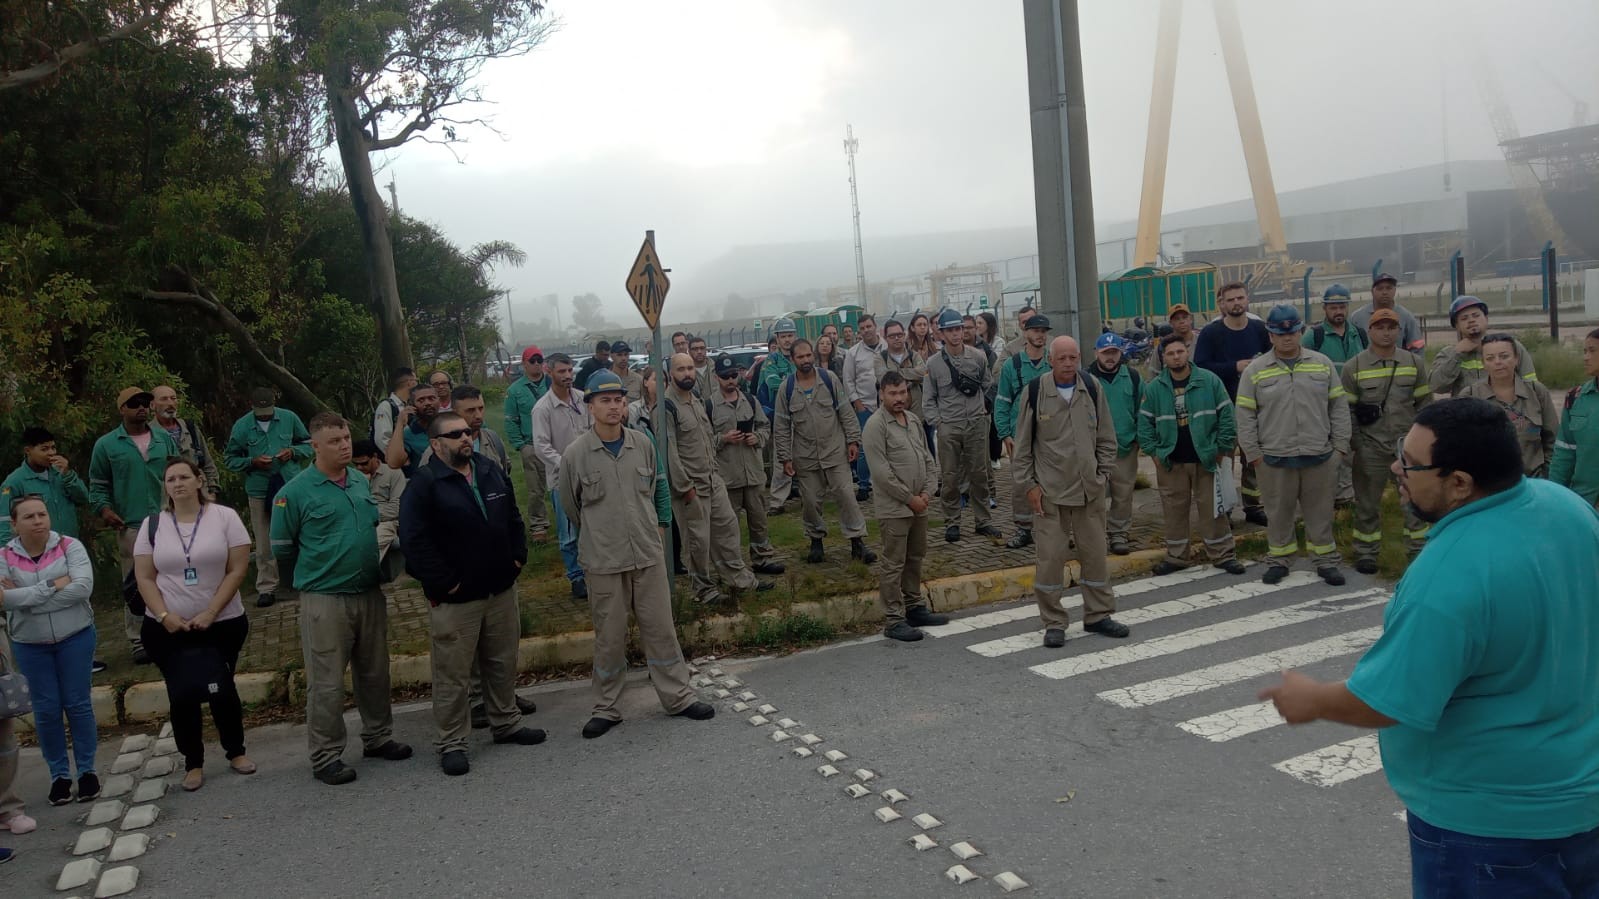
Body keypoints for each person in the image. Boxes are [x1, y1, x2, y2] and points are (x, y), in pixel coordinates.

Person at [1259, 398, 1599, 898]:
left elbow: (1388, 701)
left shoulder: (1448, 575)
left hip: (1487, 830)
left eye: (1412, 464)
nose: (1397, 468)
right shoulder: (1566, 508)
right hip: (1584, 800)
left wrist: (1311, 699)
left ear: (1459, 483)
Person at [558, 370, 715, 739]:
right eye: (604, 401)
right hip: (603, 559)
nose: (613, 407)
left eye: (617, 400)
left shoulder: (642, 442)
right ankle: (606, 707)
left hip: (647, 554)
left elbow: (659, 487)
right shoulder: (575, 455)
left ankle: (678, 696)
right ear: (591, 407)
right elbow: (569, 506)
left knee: (661, 629)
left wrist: (659, 526)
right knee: (609, 637)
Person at [400, 412, 544, 776]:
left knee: (501, 662)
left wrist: (517, 558)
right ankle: (452, 742)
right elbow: (415, 542)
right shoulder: (424, 484)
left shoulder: (487, 467)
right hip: (455, 599)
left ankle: (506, 723)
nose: (466, 437)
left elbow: (512, 515)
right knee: (453, 674)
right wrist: (446, 583)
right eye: (455, 434)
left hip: (500, 587)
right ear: (436, 444)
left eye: (467, 431)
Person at [271, 413, 412, 786]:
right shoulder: (295, 493)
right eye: (335, 440)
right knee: (327, 681)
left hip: (368, 591)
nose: (345, 445)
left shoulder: (359, 483)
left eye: (346, 437)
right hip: (325, 598)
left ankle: (378, 737)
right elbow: (282, 550)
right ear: (314, 446)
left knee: (375, 672)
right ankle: (325, 754)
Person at [132, 459, 256, 792]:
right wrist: (163, 615)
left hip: (222, 623)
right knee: (182, 694)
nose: (178, 483)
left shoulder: (225, 517)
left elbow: (237, 569)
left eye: (184, 476)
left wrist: (212, 611)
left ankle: (236, 751)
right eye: (171, 479)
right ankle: (193, 762)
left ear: (199, 480)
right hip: (169, 628)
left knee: (221, 688)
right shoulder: (153, 524)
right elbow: (144, 577)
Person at [1014, 336, 1129, 648]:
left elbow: (1106, 436)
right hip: (1049, 495)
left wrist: (1103, 474)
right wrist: (1030, 486)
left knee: (1095, 558)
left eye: (1072, 358)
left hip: (1089, 492)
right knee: (1050, 560)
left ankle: (1098, 616)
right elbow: (1022, 447)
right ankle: (1053, 622)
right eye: (1061, 358)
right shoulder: (1036, 392)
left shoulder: (1091, 388)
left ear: (1079, 358)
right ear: (1050, 360)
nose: (1067, 364)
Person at [1236, 305, 1351, 586]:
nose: (1287, 338)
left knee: (1320, 512)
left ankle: (1325, 560)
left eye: (1292, 332)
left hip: (1319, 455)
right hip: (1274, 458)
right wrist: (1254, 454)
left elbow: (1338, 407)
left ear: (1300, 332)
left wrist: (1339, 448)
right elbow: (1245, 416)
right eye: (1279, 334)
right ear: (1271, 336)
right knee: (1278, 513)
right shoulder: (1255, 371)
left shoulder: (1321, 364)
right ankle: (1279, 560)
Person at [0, 495, 98, 806]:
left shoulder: (70, 546)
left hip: (76, 635)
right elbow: (3, 599)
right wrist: (53, 586)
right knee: (46, 709)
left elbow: (82, 588)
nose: (38, 520)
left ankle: (86, 772)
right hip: (30, 644)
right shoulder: (3, 556)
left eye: (42, 513)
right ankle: (59, 776)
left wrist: (26, 599)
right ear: (15, 524)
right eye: (29, 517)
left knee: (78, 703)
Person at [662, 353, 770, 603]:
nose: (687, 373)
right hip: (691, 487)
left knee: (728, 529)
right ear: (670, 374)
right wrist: (684, 488)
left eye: (690, 368)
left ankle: (740, 580)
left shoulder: (696, 401)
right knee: (697, 541)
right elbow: (669, 452)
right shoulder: (666, 407)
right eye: (681, 369)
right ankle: (703, 590)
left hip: (713, 480)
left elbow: (707, 440)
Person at [1140, 334, 1246, 576]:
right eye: (1170, 354)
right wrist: (1155, 454)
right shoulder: (1155, 389)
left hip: (1207, 459)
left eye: (1180, 351)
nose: (1176, 357)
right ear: (1163, 358)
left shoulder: (1209, 381)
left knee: (1213, 510)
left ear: (1187, 352)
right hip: (1172, 463)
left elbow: (1227, 417)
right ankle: (1177, 557)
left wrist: (1221, 448)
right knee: (1174, 512)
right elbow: (1144, 425)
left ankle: (1223, 555)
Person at [89, 387, 179, 663]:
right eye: (133, 404)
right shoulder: (106, 445)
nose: (141, 407)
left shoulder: (163, 438)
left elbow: (178, 472)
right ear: (122, 409)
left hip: (167, 519)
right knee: (135, 581)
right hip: (130, 524)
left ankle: (171, 629)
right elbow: (98, 484)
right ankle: (138, 639)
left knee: (172, 575)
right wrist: (105, 510)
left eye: (144, 402)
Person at [1340, 309, 1432, 574]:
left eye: (1391, 327)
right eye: (1380, 327)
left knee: (1415, 503)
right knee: (1367, 505)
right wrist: (1357, 442)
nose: (1386, 332)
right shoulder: (1353, 367)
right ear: (1369, 331)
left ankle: (1419, 553)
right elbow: (1347, 411)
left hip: (1407, 449)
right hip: (1371, 447)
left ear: (1399, 330)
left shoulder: (1414, 364)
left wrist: (1420, 443)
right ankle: (1365, 553)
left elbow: (1425, 406)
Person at [774, 339, 875, 565]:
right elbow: (780, 426)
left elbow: (845, 412)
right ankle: (816, 541)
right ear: (792, 359)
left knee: (847, 497)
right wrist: (784, 457)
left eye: (809, 355)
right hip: (805, 457)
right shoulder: (786, 388)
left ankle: (857, 541)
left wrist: (853, 440)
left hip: (835, 452)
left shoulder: (830, 380)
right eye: (800, 357)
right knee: (810, 502)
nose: (806, 360)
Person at [862, 371, 947, 642]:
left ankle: (913, 607)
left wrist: (928, 490)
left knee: (915, 557)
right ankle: (894, 618)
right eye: (893, 394)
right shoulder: (876, 426)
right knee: (893, 563)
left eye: (903, 392)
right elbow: (881, 473)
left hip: (919, 504)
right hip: (895, 508)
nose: (899, 398)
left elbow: (928, 458)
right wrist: (910, 498)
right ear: (881, 394)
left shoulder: (912, 420)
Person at [223, 387, 313, 608]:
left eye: (269, 409)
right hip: (260, 489)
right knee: (264, 542)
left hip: (290, 484)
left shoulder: (289, 418)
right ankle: (267, 588)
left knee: (304, 531)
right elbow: (230, 459)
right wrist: (252, 462)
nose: (265, 414)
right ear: (252, 406)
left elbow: (309, 445)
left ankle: (310, 579)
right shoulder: (242, 426)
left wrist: (292, 452)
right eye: (261, 411)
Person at [1194, 282, 1271, 526]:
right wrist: (1234, 367)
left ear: (1247, 300)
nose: (1236, 303)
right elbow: (1201, 367)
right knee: (1224, 460)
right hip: (1223, 409)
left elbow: (1272, 360)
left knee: (1253, 459)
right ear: (1222, 304)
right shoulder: (1211, 333)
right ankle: (1224, 506)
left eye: (1240, 298)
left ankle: (1254, 506)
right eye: (1230, 299)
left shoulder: (1259, 329)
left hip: (1256, 408)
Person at [707, 355, 784, 576]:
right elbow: (703, 441)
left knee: (758, 521)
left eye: (734, 376)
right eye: (725, 377)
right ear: (716, 377)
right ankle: (732, 566)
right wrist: (723, 439)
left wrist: (757, 438)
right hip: (727, 477)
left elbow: (764, 426)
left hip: (753, 473)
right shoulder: (710, 406)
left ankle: (762, 559)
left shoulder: (750, 400)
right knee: (728, 526)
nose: (731, 380)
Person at [925, 308, 997, 543]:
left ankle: (983, 521)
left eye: (959, 329)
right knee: (950, 477)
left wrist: (983, 409)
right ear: (941, 333)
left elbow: (988, 384)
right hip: (950, 426)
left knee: (979, 475)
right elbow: (929, 399)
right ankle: (952, 522)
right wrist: (940, 423)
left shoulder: (977, 356)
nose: (956, 334)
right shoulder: (934, 363)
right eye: (950, 330)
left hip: (976, 424)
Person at [532, 354, 591, 599]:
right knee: (568, 533)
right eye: (562, 371)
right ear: (549, 371)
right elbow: (542, 447)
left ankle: (594, 571)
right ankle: (576, 577)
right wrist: (566, 464)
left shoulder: (583, 399)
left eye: (569, 371)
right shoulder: (542, 409)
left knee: (592, 525)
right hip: (561, 480)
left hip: (590, 474)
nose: (567, 376)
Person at [995, 314, 1053, 549]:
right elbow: (1002, 401)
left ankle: (1052, 528)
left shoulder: (1053, 362)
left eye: (1044, 331)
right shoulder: (1013, 365)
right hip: (1019, 435)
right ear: (1025, 333)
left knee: (1052, 481)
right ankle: (1024, 529)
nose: (1040, 335)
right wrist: (1005, 434)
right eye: (1035, 330)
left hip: (1051, 434)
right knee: (1021, 484)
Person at [1466, 334, 1557, 478]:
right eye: (1490, 358)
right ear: (1483, 363)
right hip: (1489, 486)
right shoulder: (1469, 396)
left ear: (1516, 359)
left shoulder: (1537, 392)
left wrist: (1548, 479)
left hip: (1534, 483)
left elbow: (1552, 440)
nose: (1498, 362)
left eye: (1504, 356)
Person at [1087, 333, 1142, 555]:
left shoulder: (1133, 377)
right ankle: (1093, 535)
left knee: (1123, 493)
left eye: (1114, 353)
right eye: (1105, 353)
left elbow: (1142, 410)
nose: (1110, 357)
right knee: (1093, 494)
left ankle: (1118, 533)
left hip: (1125, 447)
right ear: (1096, 353)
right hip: (1094, 450)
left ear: (1120, 353)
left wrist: (1139, 439)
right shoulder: (1085, 378)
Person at [1429, 295, 1537, 397]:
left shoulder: (1510, 346)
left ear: (1486, 319)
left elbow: (1530, 385)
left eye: (1476, 315)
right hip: (1465, 413)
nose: (1471, 320)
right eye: (1464, 318)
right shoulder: (1448, 354)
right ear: (1456, 326)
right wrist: (1456, 355)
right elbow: (1436, 387)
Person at [0, 427, 90, 543]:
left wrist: (68, 474)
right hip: (38, 551)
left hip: (68, 547)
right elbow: (5, 521)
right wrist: (6, 555)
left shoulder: (61, 474)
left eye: (53, 448)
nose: (51, 453)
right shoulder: (14, 482)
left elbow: (83, 498)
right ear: (28, 451)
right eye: (44, 449)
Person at [503, 345, 552, 540]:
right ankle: (538, 526)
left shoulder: (552, 384)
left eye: (540, 360)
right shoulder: (514, 390)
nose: (537, 364)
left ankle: (570, 520)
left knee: (565, 484)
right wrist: (521, 446)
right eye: (532, 361)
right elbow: (510, 420)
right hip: (532, 445)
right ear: (524, 364)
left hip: (557, 442)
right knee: (535, 489)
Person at [1552, 327, 1599, 508]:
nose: (1585, 357)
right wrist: (1554, 495)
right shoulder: (1576, 397)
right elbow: (1564, 453)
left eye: (1592, 351)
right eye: (1584, 351)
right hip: (1584, 503)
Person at [757, 318, 799, 514]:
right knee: (781, 458)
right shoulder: (771, 360)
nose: (787, 340)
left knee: (807, 455)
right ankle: (777, 502)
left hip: (803, 415)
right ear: (777, 338)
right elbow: (774, 384)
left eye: (790, 335)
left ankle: (810, 495)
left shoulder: (801, 355)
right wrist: (797, 384)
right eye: (783, 337)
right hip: (782, 416)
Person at [151, 385, 221, 499]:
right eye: (164, 399)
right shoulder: (148, 433)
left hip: (198, 497)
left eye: (173, 398)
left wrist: (212, 491)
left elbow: (207, 463)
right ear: (152, 405)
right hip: (166, 500)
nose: (170, 403)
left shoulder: (190, 428)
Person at [842, 313, 884, 502]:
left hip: (887, 405)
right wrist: (857, 403)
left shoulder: (887, 347)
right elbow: (848, 380)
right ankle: (864, 484)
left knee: (888, 445)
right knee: (864, 448)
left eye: (869, 326)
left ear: (875, 327)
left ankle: (886, 482)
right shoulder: (853, 353)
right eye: (863, 328)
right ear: (859, 332)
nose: (867, 330)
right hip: (865, 406)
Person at [877, 319, 932, 454]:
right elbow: (884, 379)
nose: (896, 338)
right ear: (885, 338)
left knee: (924, 449)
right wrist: (911, 376)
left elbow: (923, 374)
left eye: (900, 335)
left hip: (918, 413)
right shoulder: (880, 358)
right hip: (891, 414)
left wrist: (898, 374)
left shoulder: (914, 355)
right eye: (892, 336)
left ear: (904, 335)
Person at [351, 440, 405, 565]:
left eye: (364, 463)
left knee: (370, 543)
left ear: (375, 457)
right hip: (359, 521)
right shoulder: (353, 476)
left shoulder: (393, 473)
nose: (359, 468)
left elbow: (397, 508)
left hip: (387, 521)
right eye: (356, 464)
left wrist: (368, 512)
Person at [1349, 272, 1425, 354]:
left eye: (1389, 288)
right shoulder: (1357, 317)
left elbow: (1417, 347)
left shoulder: (1406, 317)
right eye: (1380, 288)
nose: (1384, 292)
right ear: (1372, 291)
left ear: (1395, 290)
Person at [1301, 285, 1368, 373]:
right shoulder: (1313, 336)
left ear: (1347, 307)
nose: (1338, 312)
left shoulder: (1359, 334)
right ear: (1324, 308)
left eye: (1342, 307)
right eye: (1333, 308)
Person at [384, 383, 440, 477]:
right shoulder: (408, 434)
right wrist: (400, 424)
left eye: (431, 398)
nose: (427, 403)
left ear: (439, 401)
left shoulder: (449, 425)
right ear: (412, 405)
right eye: (421, 400)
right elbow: (393, 463)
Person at [371, 367, 417, 451]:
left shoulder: (408, 405)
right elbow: (382, 439)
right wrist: (395, 457)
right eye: (416, 380)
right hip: (396, 460)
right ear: (410, 383)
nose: (417, 384)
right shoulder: (386, 406)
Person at [1151, 304, 1198, 374]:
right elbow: (1153, 375)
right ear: (1170, 323)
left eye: (1184, 317)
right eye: (1177, 319)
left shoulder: (1202, 342)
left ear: (1191, 319)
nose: (1182, 321)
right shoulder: (1162, 347)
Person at [627, 366, 658, 433]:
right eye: (656, 380)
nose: (661, 383)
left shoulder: (669, 407)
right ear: (645, 382)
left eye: (664, 380)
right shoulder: (634, 408)